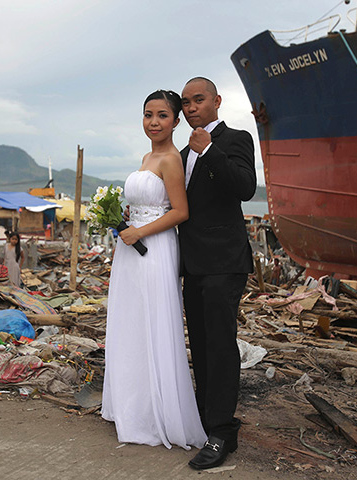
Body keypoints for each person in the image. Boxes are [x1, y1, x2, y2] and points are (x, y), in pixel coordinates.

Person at [101, 90, 206, 450]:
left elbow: (180, 212)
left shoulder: (172, 159)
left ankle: (156, 411)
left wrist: (140, 231)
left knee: (153, 321)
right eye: (148, 115)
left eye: (162, 115)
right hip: (131, 246)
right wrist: (126, 219)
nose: (154, 122)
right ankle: (132, 406)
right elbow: (149, 202)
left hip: (155, 247)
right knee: (131, 321)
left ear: (176, 121)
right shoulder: (147, 156)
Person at [178, 77, 257, 469]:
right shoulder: (180, 153)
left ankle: (223, 432)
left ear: (217, 101)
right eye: (186, 103)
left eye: (198, 100)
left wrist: (209, 150)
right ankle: (204, 419)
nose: (191, 107)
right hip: (192, 264)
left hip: (225, 262)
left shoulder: (234, 139)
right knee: (202, 344)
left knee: (221, 346)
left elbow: (244, 186)